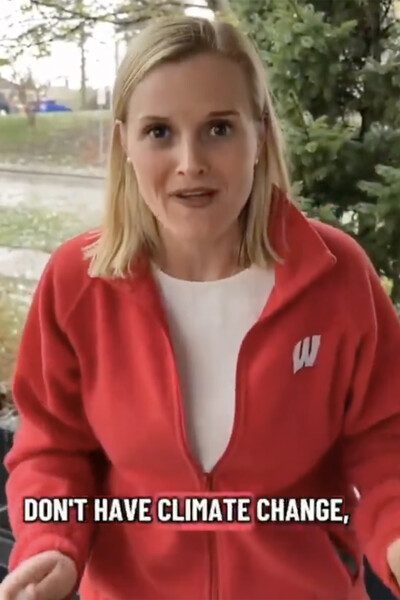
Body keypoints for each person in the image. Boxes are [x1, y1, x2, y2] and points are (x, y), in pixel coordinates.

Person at [1, 14, 400, 600]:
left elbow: (385, 441)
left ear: (259, 135)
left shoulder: (338, 275)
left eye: (218, 128)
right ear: (125, 145)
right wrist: (50, 547)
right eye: (159, 132)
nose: (190, 161)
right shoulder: (75, 283)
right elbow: (53, 447)